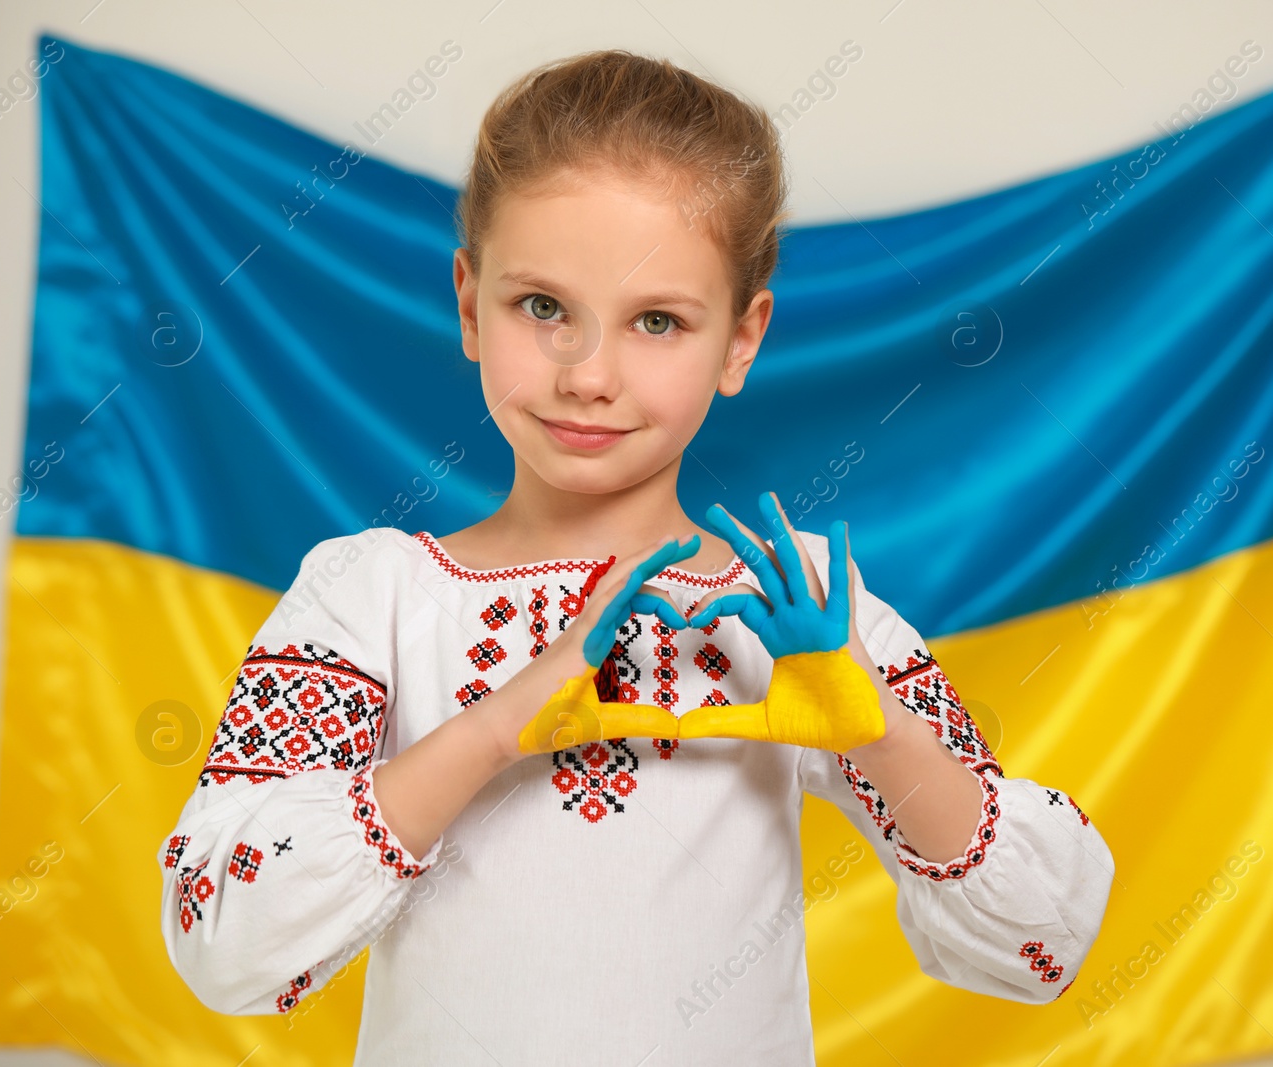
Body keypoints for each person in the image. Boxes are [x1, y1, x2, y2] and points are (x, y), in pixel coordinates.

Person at [158, 48, 1114, 1065]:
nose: (590, 374)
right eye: (543, 308)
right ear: (468, 299)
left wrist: (880, 731)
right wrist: (492, 729)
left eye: (656, 320)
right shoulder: (371, 596)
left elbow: (1043, 942)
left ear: (741, 340)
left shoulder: (795, 607)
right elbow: (224, 939)